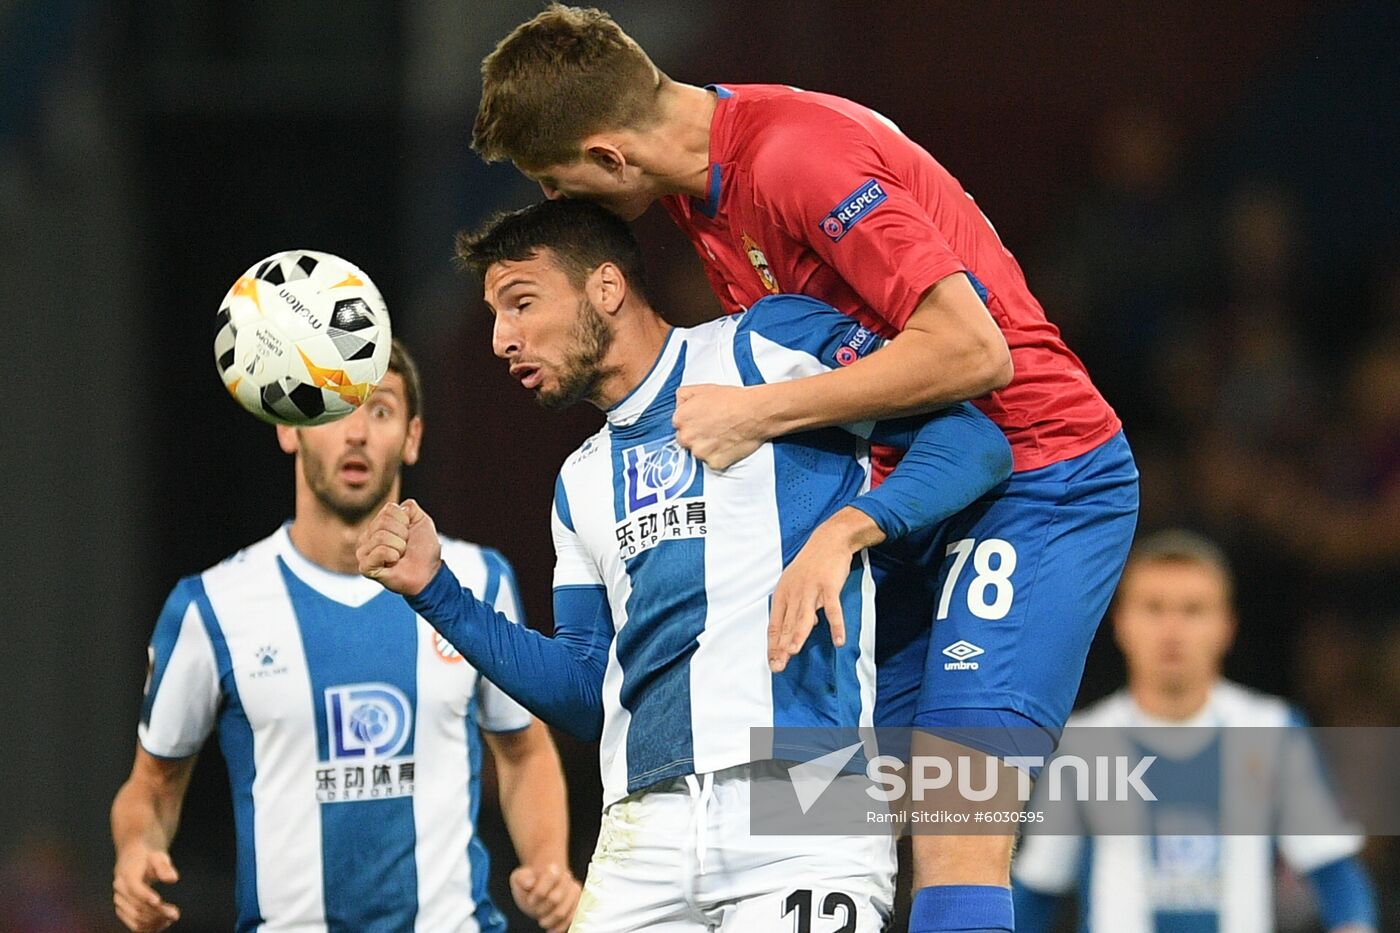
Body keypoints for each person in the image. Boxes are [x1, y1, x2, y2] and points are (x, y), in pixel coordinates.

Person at [471, 9, 1140, 931]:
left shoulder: (795, 159)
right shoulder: (696, 187)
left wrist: (765, 421)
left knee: (956, 815)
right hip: (913, 494)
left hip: (1033, 475)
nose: (560, 201)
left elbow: (975, 355)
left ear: (611, 156)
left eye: (557, 179)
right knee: (824, 807)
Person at [358, 199, 1015, 932]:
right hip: (644, 830)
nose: (501, 338)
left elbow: (974, 443)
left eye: (521, 303)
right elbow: (587, 690)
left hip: (802, 799)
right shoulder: (580, 481)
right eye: (494, 315)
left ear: (606, 288)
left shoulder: (764, 348)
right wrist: (438, 591)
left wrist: (845, 532)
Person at [111, 340, 580, 933]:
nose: (356, 432)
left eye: (380, 409)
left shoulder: (478, 581)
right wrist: (133, 854)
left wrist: (549, 867)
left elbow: (524, 750)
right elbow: (152, 787)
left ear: (411, 437)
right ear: (291, 428)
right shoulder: (211, 607)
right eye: (334, 408)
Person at [1011, 530, 1378, 933]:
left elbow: (1334, 872)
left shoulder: (1271, 731)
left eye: (1193, 609)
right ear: (1121, 623)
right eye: (1154, 608)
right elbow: (1039, 888)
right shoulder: (1081, 745)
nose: (1172, 629)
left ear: (1226, 626)